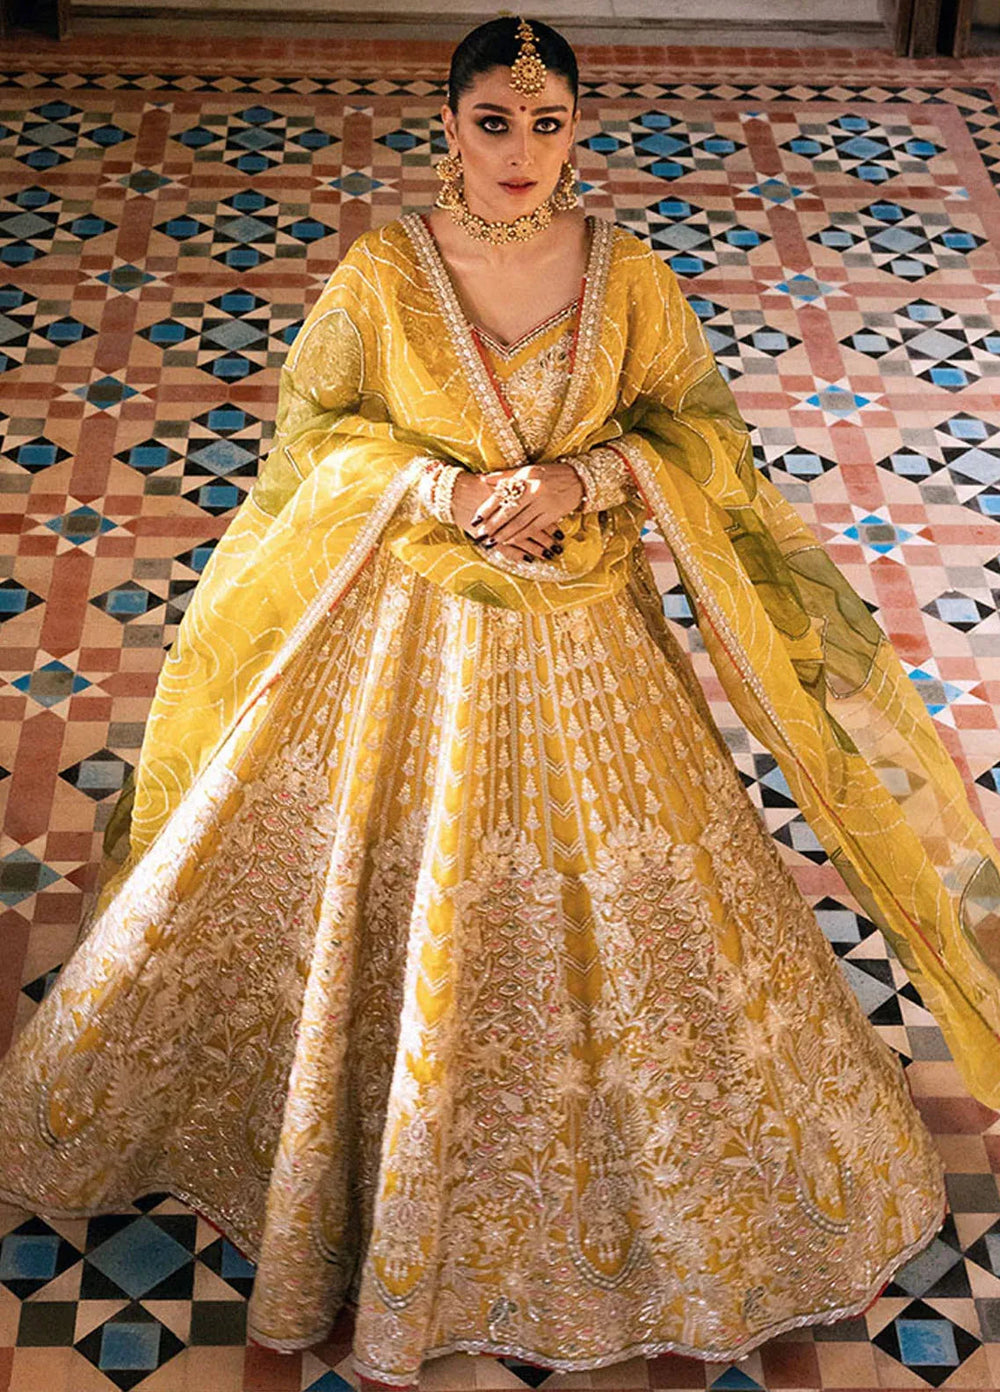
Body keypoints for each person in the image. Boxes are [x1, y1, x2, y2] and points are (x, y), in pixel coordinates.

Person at [0, 15, 997, 1389]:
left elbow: (701, 436)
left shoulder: (628, 275)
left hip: (594, 645)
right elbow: (314, 443)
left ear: (576, 128)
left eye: (547, 123)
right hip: (406, 643)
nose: (521, 150)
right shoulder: (384, 275)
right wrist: (443, 489)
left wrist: (591, 478)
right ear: (449, 127)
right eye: (492, 121)